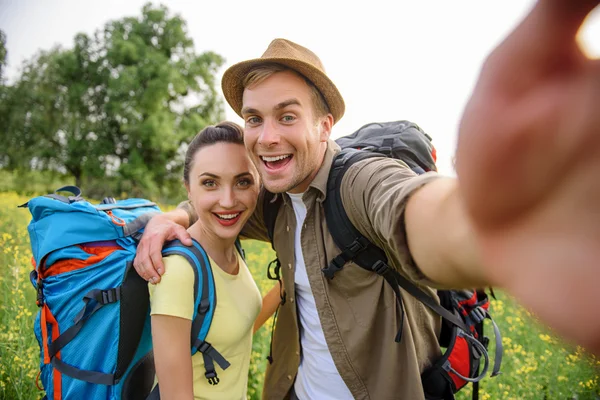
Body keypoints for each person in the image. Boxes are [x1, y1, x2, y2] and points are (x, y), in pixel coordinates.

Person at [135, 1, 600, 398]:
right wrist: (170, 216)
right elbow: (218, 203)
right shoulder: (271, 198)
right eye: (254, 119)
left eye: (287, 115)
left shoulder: (357, 182)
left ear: (324, 125)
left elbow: (413, 209)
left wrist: (497, 226)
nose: (268, 136)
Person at [148, 121, 281, 399]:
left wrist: (295, 282)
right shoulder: (179, 271)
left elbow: (233, 329)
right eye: (210, 183)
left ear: (258, 184)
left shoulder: (232, 248)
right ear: (188, 189)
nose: (228, 200)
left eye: (243, 181)